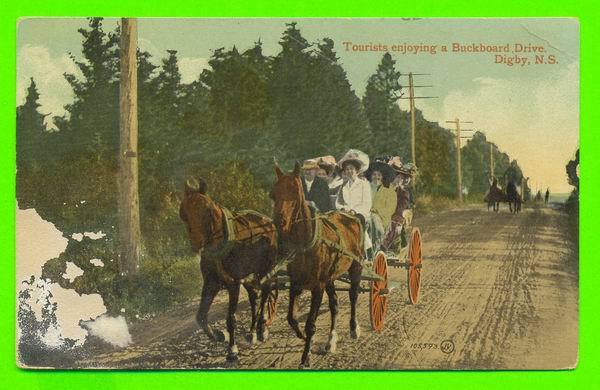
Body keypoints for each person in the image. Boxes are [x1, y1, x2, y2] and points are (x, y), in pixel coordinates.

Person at [335, 149, 373, 255]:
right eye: (347, 169)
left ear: (357, 170)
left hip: (361, 214)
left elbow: (366, 203)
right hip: (346, 213)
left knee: (356, 224)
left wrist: (354, 211)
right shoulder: (343, 186)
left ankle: (362, 251)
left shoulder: (364, 184)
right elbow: (338, 202)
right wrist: (342, 208)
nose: (349, 171)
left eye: (351, 169)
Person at [382, 157, 416, 253]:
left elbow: (399, 210)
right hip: (381, 215)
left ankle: (383, 247)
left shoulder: (403, 193)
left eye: (401, 178)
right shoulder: (384, 190)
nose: (399, 180)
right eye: (397, 177)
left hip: (395, 216)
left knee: (392, 223)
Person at [365, 157, 397, 251]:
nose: (376, 177)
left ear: (383, 177)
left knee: (373, 219)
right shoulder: (366, 187)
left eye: (379, 175)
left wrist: (375, 211)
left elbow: (390, 209)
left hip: (382, 220)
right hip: (366, 215)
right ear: (370, 176)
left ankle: (375, 246)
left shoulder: (389, 190)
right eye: (374, 174)